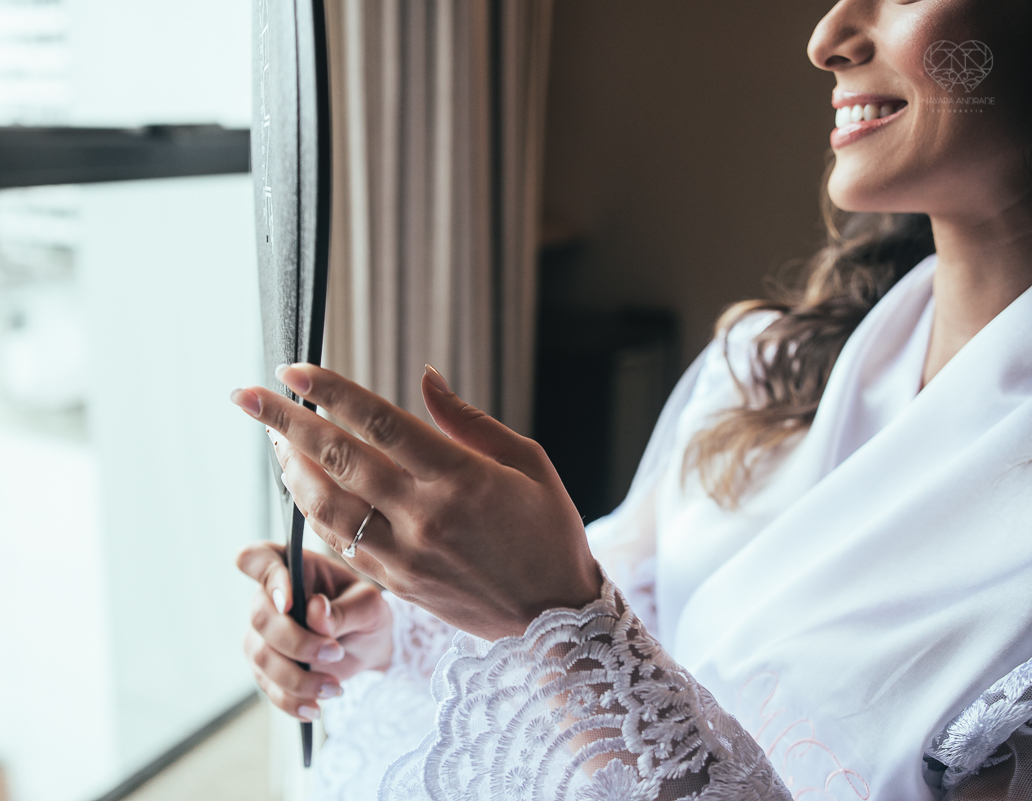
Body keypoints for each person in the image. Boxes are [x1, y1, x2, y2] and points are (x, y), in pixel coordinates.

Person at [233, 1, 1032, 798]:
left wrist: (553, 609)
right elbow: (635, 605)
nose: (827, 40)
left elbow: (594, 632)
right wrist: (393, 622)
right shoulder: (768, 367)